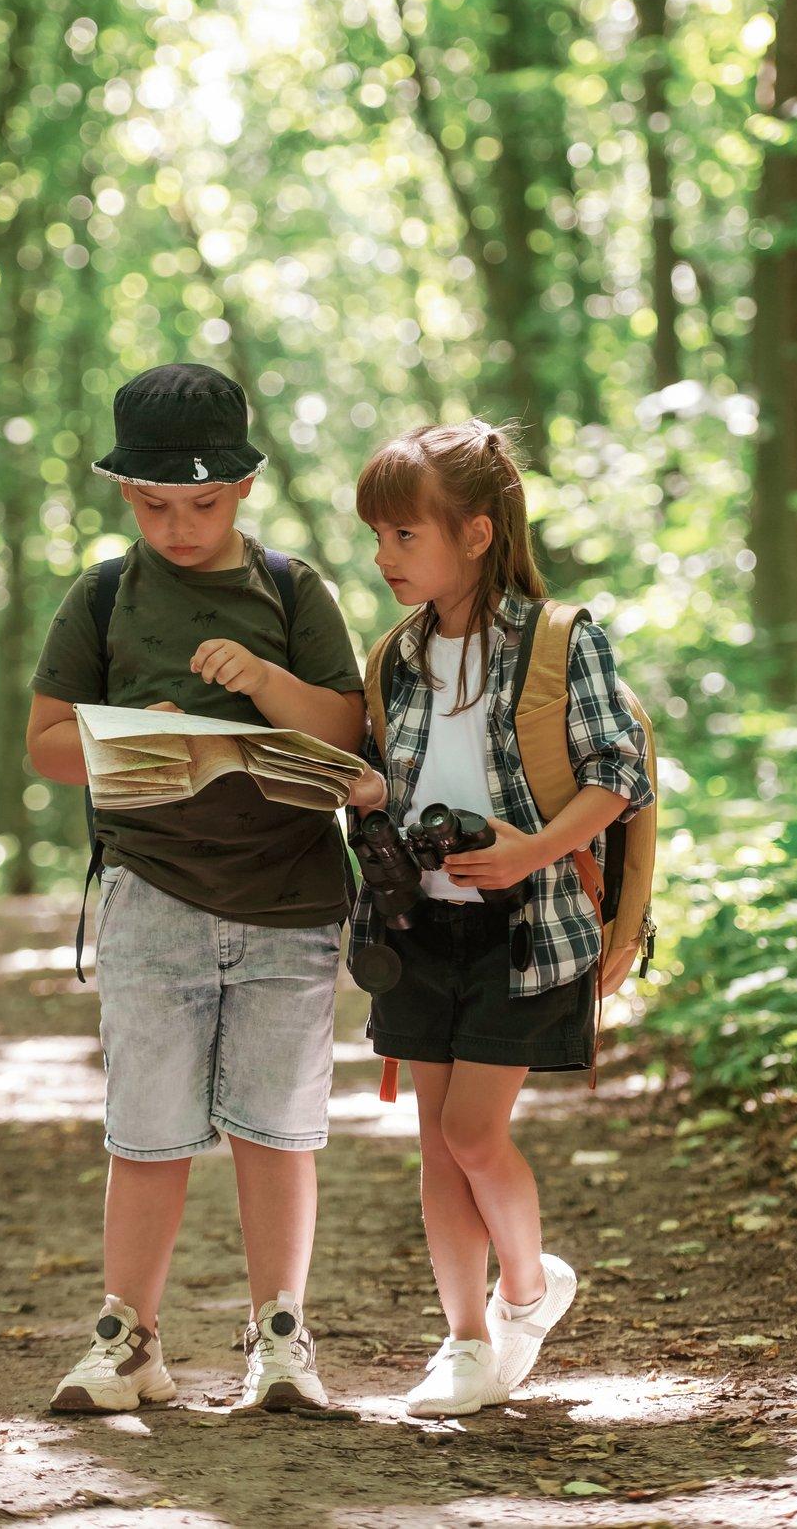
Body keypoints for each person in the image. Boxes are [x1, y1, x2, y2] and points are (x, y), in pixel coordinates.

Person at [25, 363, 365, 1414]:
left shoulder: (292, 588)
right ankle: (130, 1339)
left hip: (289, 902)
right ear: (123, 490)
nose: (178, 525)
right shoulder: (101, 594)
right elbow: (43, 745)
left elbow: (349, 735)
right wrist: (147, 746)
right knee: (148, 1131)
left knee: (276, 1127)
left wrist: (262, 687)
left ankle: (279, 1337)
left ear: (245, 488)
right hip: (152, 897)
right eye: (154, 503)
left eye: (203, 504)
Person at [344, 419, 653, 1417]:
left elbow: (618, 773)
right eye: (378, 538)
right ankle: (464, 1342)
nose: (383, 557)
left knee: (474, 1135)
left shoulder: (561, 641)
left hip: (530, 929)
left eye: (403, 537)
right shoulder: (395, 654)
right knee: (436, 1142)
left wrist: (528, 847)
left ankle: (526, 1288)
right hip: (418, 933)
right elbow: (387, 784)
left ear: (474, 534)